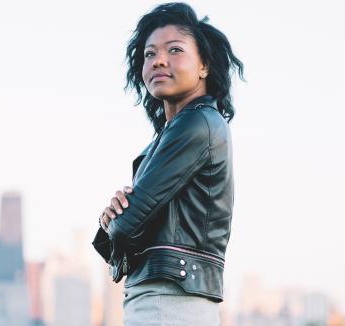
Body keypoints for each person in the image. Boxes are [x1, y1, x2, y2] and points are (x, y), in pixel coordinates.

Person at [92, 2, 244, 325]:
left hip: (170, 304)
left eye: (175, 50)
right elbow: (115, 237)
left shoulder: (197, 123)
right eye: (149, 54)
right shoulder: (176, 133)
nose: (159, 59)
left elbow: (124, 228)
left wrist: (115, 221)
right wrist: (113, 222)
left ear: (204, 65)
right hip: (168, 301)